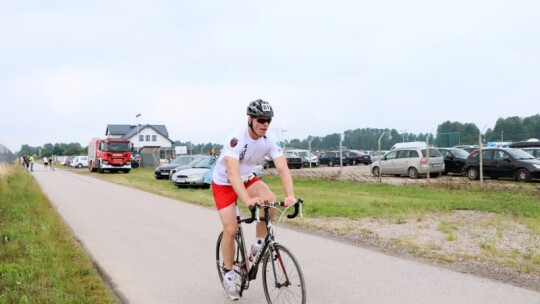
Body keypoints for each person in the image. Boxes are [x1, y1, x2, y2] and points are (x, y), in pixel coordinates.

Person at [211, 99, 296, 301]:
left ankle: (258, 245)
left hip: (247, 178)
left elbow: (283, 168)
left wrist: (290, 195)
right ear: (250, 120)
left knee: (269, 201)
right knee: (230, 229)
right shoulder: (236, 138)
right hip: (224, 182)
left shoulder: (270, 139)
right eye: (261, 120)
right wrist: (248, 200)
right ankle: (229, 273)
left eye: (268, 120)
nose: (265, 124)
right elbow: (232, 174)